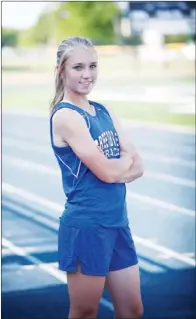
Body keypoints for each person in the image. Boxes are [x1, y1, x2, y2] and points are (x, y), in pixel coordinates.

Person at [50, 36, 144, 319]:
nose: (87, 74)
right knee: (85, 312)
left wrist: (121, 167)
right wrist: (121, 164)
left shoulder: (103, 110)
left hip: (117, 222)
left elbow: (138, 165)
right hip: (87, 226)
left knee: (132, 311)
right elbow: (107, 171)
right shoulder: (66, 116)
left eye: (92, 66)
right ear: (61, 71)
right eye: (78, 67)